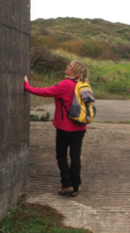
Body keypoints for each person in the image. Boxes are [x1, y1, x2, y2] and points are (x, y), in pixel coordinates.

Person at [24, 61, 90, 197]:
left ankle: (67, 184)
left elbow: (45, 92)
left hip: (65, 126)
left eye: (69, 66)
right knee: (75, 156)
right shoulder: (83, 84)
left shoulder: (66, 84)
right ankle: (76, 186)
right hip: (80, 126)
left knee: (61, 154)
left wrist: (27, 87)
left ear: (74, 70)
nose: (67, 67)